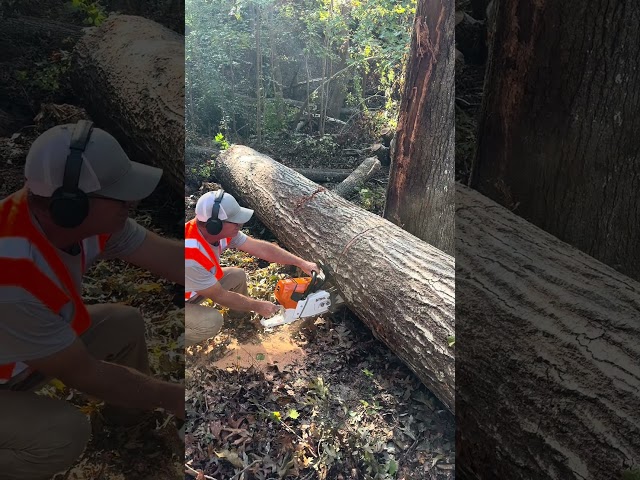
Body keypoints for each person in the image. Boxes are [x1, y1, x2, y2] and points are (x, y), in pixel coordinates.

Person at [0, 120, 185, 480]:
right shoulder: (12, 275)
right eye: (119, 194)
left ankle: (128, 423)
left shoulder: (84, 223)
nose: (130, 201)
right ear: (70, 205)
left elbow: (170, 258)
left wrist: (217, 278)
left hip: (17, 353)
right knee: (62, 433)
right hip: (15, 360)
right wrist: (172, 396)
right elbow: (83, 373)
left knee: (123, 324)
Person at [184, 188, 319, 346]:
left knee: (237, 276)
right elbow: (219, 295)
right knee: (211, 321)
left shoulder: (219, 233)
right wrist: (257, 305)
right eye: (235, 221)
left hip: (192, 287)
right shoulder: (190, 254)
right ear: (214, 225)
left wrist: (300, 262)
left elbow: (261, 248)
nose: (240, 224)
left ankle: (240, 321)